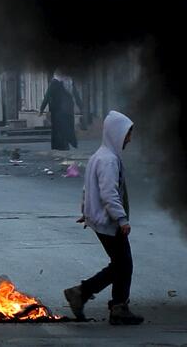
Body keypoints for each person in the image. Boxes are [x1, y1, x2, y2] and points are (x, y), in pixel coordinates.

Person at [64, 110, 144, 326]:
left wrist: (85, 211)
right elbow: (109, 194)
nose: (129, 139)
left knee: (120, 264)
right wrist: (122, 219)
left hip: (99, 219)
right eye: (127, 134)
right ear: (116, 133)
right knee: (123, 264)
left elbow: (87, 188)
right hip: (108, 221)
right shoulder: (108, 160)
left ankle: (98, 299)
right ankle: (95, 298)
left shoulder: (99, 156)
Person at [40, 71, 83, 151]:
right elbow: (76, 96)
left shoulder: (54, 83)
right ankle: (68, 144)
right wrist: (81, 107)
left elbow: (47, 96)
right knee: (68, 127)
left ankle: (60, 146)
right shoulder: (69, 82)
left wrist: (42, 109)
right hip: (68, 109)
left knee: (58, 129)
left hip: (57, 110)